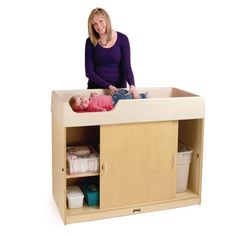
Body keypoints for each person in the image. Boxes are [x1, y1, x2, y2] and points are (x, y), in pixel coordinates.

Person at [85, 8, 140, 98]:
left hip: (118, 90)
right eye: (94, 24)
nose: (98, 26)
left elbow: (126, 66)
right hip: (96, 90)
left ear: (107, 20)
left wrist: (132, 85)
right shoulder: (90, 41)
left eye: (101, 21)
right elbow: (89, 72)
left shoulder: (122, 39)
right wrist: (108, 86)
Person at [69, 89, 148, 112]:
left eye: (80, 98)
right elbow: (98, 108)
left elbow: (98, 99)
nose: (83, 101)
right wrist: (103, 110)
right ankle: (143, 97)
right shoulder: (91, 107)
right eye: (80, 104)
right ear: (81, 109)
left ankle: (141, 95)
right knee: (127, 99)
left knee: (122, 92)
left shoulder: (90, 99)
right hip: (114, 103)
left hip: (112, 97)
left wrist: (94, 96)